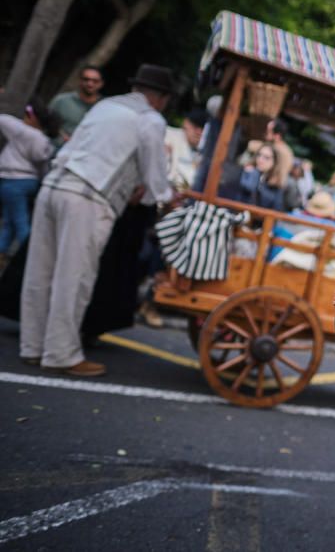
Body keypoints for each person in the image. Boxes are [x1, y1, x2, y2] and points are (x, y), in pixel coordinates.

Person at [20, 63, 177, 377]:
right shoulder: (150, 119)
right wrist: (167, 197)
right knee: (73, 277)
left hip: (55, 184)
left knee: (40, 271)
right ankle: (62, 353)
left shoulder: (108, 105)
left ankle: (33, 346)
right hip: (88, 197)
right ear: (160, 98)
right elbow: (155, 174)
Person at [0, 96, 61, 265]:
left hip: (13, 181)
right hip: (30, 181)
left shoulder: (22, 131)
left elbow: (3, 119)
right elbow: (43, 167)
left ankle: (30, 259)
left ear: (33, 117)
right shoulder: (44, 141)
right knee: (10, 222)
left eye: (27, 113)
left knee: (19, 223)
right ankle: (2, 251)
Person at [47, 65, 103, 140]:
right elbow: (46, 121)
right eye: (86, 79)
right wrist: (61, 135)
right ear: (79, 80)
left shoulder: (105, 106)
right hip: (59, 147)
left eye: (95, 81)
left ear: (101, 83)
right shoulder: (62, 101)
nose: (90, 84)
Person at [239, 143, 297, 211]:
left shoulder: (276, 183)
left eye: (266, 158)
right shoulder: (248, 173)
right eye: (259, 155)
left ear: (274, 162)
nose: (260, 159)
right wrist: (254, 174)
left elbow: (276, 209)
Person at [164, 108, 207, 190]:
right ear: (186, 123)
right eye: (196, 126)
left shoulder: (205, 151)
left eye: (203, 129)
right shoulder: (168, 135)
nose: (199, 132)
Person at [265, 118, 294, 188]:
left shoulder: (276, 149)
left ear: (277, 136)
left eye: (268, 131)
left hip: (270, 186)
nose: (265, 132)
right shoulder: (287, 150)